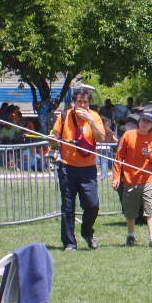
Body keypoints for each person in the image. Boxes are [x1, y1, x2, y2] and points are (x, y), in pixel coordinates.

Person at [52, 89, 105, 251]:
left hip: (88, 168)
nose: (82, 105)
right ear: (74, 102)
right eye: (79, 102)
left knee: (92, 205)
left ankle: (87, 232)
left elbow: (101, 138)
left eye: (85, 102)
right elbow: (54, 139)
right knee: (68, 207)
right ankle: (69, 242)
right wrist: (54, 142)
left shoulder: (94, 116)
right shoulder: (64, 116)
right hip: (67, 167)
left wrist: (91, 121)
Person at [112, 112, 152, 248]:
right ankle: (130, 236)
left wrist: (149, 155)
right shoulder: (128, 135)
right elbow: (119, 158)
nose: (144, 123)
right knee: (130, 212)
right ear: (139, 121)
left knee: (150, 208)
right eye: (143, 120)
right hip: (130, 180)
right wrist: (116, 177)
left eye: (148, 122)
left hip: (148, 179)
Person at [98, 115, 118, 179]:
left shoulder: (98, 129)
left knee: (100, 162)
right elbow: (114, 139)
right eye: (107, 122)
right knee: (104, 162)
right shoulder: (108, 130)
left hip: (98, 147)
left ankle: (102, 174)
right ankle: (103, 175)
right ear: (105, 122)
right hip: (105, 147)